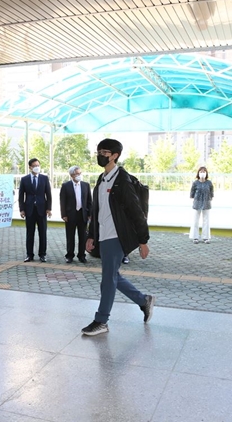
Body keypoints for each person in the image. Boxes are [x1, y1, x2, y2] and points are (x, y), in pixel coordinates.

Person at [82, 138, 155, 336]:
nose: (100, 155)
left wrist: (143, 241)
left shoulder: (122, 180)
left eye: (105, 152)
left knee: (107, 279)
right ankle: (143, 300)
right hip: (104, 235)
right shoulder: (101, 178)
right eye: (99, 151)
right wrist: (91, 235)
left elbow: (136, 211)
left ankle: (101, 320)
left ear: (115, 156)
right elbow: (97, 210)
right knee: (113, 276)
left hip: (117, 236)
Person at [18, 158, 52, 262]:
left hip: (42, 210)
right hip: (29, 210)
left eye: (38, 165)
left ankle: (42, 254)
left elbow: (48, 195)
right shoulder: (24, 179)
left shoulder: (44, 178)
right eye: (34, 166)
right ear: (30, 167)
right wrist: (22, 209)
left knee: (42, 233)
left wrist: (49, 208)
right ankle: (29, 255)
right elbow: (21, 196)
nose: (37, 167)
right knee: (30, 233)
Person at [60, 165, 92, 263]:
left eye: (80, 173)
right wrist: (64, 215)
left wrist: (90, 213)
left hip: (82, 214)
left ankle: (82, 255)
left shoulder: (85, 185)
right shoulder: (66, 186)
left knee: (82, 236)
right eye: (77, 173)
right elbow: (63, 201)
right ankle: (69, 255)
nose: (79, 175)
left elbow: (89, 201)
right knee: (70, 236)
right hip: (70, 215)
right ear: (71, 175)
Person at [189, 166, 214, 244]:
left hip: (206, 203)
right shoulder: (195, 183)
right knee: (196, 220)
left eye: (204, 172)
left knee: (206, 221)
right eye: (201, 172)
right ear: (198, 173)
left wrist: (209, 198)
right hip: (197, 203)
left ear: (206, 173)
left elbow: (211, 192)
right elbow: (192, 193)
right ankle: (195, 237)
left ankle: (205, 237)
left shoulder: (209, 183)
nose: (202, 173)